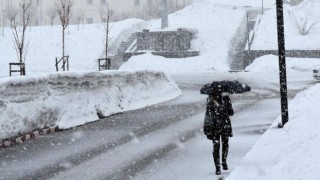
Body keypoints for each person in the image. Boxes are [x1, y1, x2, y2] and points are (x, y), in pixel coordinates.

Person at [203, 91, 234, 175]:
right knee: (225, 145)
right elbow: (231, 112)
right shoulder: (226, 98)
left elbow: (207, 115)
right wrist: (226, 109)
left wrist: (206, 129)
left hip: (214, 127)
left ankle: (217, 167)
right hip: (225, 126)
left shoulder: (211, 99)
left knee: (216, 147)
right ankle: (224, 162)